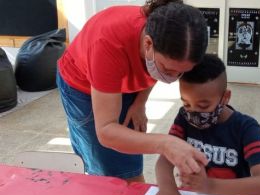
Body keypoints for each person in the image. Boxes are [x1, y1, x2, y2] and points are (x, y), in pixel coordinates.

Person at [56, 0, 209, 182]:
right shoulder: (107, 45)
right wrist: (164, 143)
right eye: (168, 71)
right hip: (83, 86)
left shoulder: (164, 36)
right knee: (107, 167)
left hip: (121, 72)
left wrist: (140, 102)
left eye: (182, 72)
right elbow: (106, 132)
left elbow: (154, 71)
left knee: (129, 159)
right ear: (148, 44)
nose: (172, 79)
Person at [138, 54, 260, 195]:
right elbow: (164, 162)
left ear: (225, 98)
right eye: (186, 104)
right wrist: (167, 188)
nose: (194, 113)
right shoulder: (184, 119)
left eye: (203, 106)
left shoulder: (246, 128)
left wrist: (209, 186)